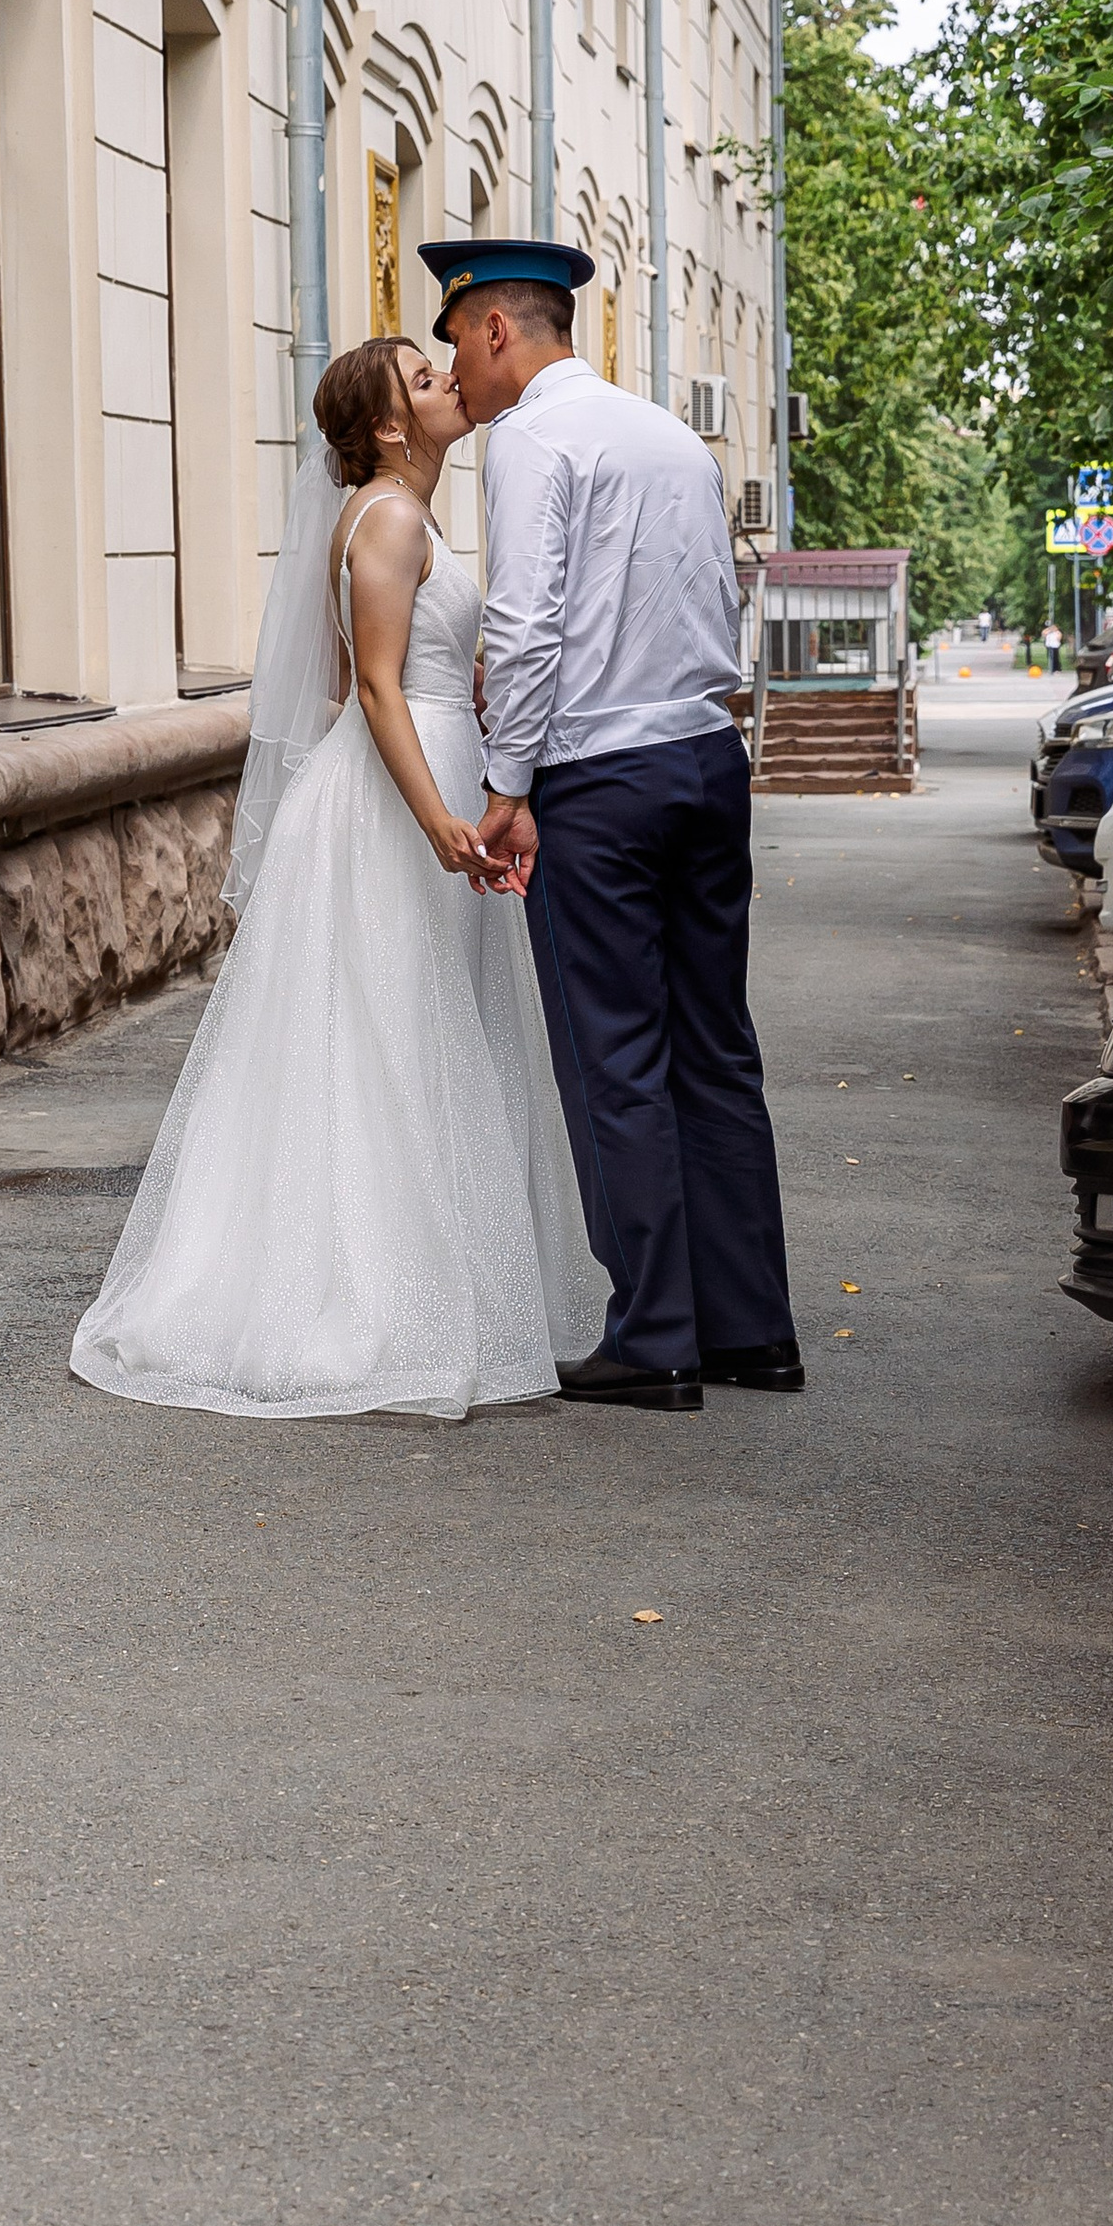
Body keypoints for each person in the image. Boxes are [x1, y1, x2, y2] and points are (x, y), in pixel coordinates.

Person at [69, 336, 606, 1420]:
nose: (448, 377)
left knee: (426, 1031)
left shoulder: (408, 514)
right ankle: (363, 1305)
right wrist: (439, 822)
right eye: (420, 377)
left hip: (431, 775)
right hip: (396, 800)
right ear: (389, 425)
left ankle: (436, 1286)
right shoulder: (393, 517)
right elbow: (370, 685)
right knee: (392, 1036)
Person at [424, 237, 799, 1415]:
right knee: (715, 1047)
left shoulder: (535, 435)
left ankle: (653, 1336)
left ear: (493, 326)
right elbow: (714, 600)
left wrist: (507, 782)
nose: (462, 383)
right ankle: (749, 1330)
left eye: (457, 348)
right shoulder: (670, 436)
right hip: (703, 759)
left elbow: (529, 623)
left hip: (601, 778)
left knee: (616, 1055)